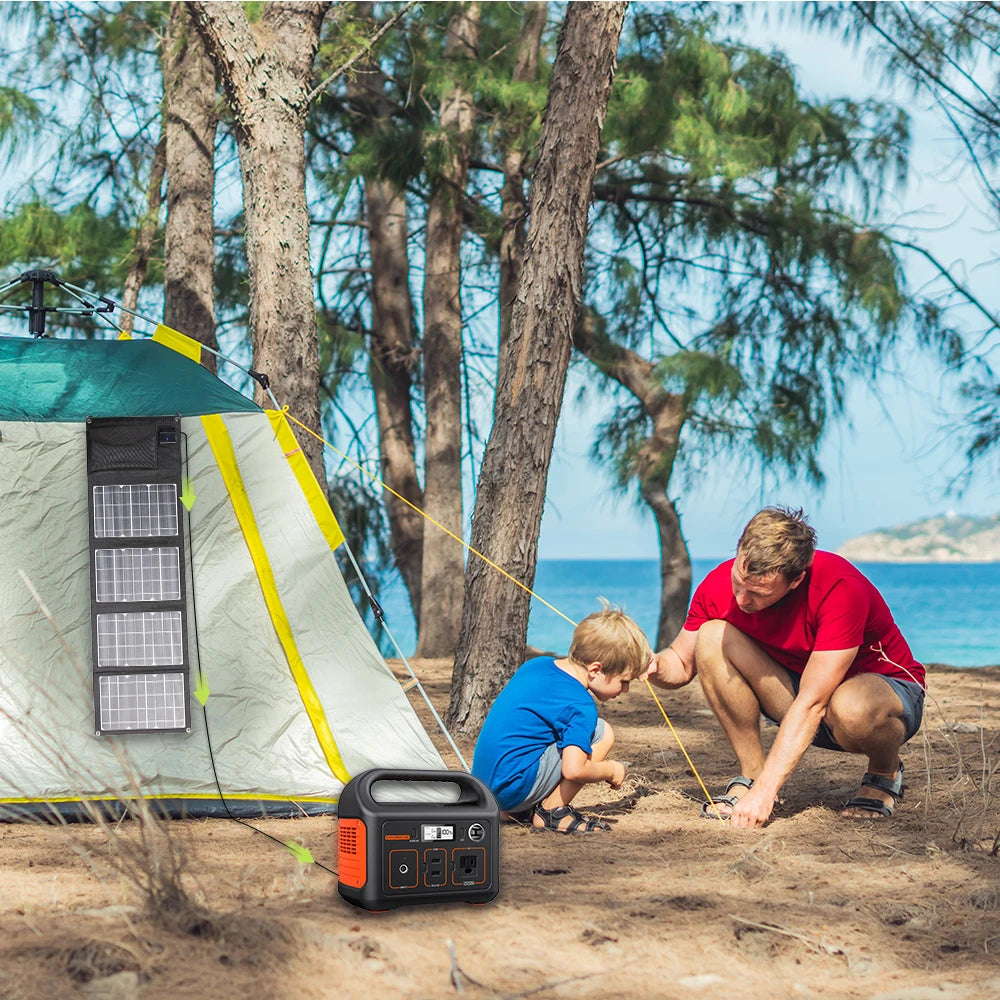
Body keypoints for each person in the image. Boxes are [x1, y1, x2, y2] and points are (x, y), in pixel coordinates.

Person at [649, 506, 925, 828]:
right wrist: (652, 664)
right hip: (799, 693)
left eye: (759, 593)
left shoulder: (840, 587)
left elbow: (813, 703)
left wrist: (768, 793)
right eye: (740, 582)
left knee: (850, 706)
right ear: (739, 551)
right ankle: (750, 776)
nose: (741, 599)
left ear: (796, 580)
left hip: (884, 694)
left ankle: (884, 770)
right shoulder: (718, 585)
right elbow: (681, 663)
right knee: (711, 636)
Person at [472, 605, 652, 833]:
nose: (625, 690)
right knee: (602, 732)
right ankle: (552, 812)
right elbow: (574, 770)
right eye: (624, 681)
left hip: (485, 789)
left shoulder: (536, 665)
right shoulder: (580, 705)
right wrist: (611, 769)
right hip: (512, 789)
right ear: (595, 669)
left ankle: (516, 811)